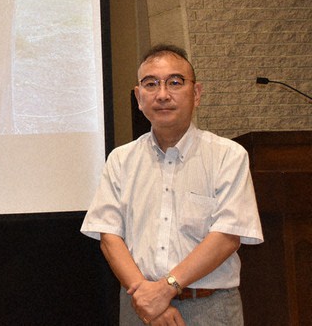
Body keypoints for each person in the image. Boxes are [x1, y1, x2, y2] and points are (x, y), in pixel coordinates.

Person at [81, 44, 263, 325]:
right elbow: (109, 235)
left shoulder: (228, 156)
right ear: (139, 97)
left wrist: (165, 289)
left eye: (175, 82)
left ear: (197, 93)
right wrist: (149, 299)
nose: (163, 94)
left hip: (209, 308)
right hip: (138, 307)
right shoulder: (121, 159)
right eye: (151, 84)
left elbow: (228, 235)